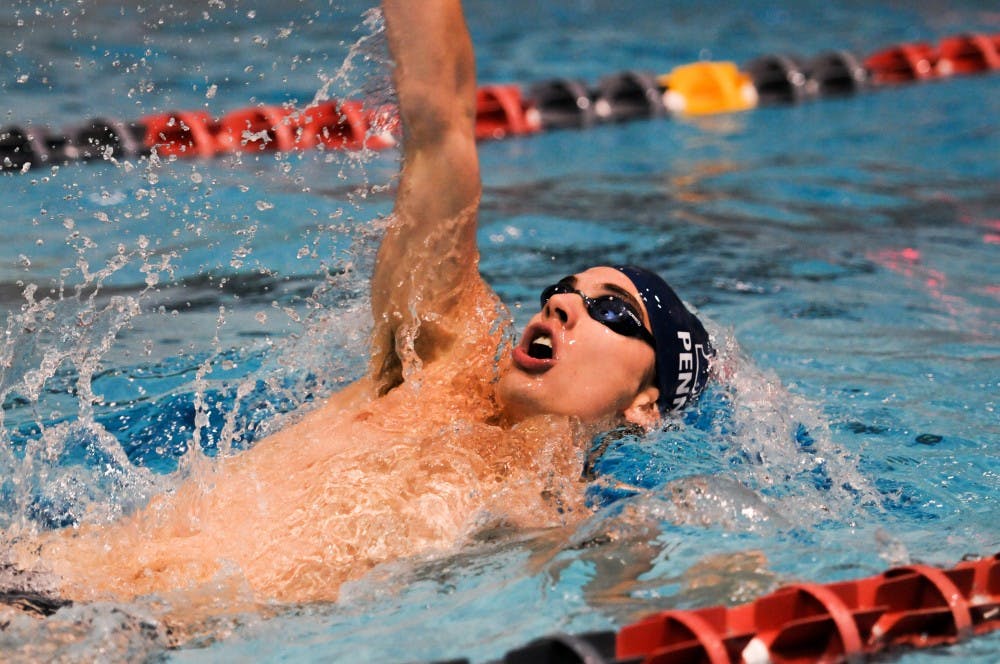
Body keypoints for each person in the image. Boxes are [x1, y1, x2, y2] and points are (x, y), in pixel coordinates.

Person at [9, 0, 712, 611]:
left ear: (645, 403)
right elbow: (440, 127)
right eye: (562, 293)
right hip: (46, 571)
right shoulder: (438, 362)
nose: (563, 308)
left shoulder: (559, 519)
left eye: (610, 311)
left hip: (115, 632)